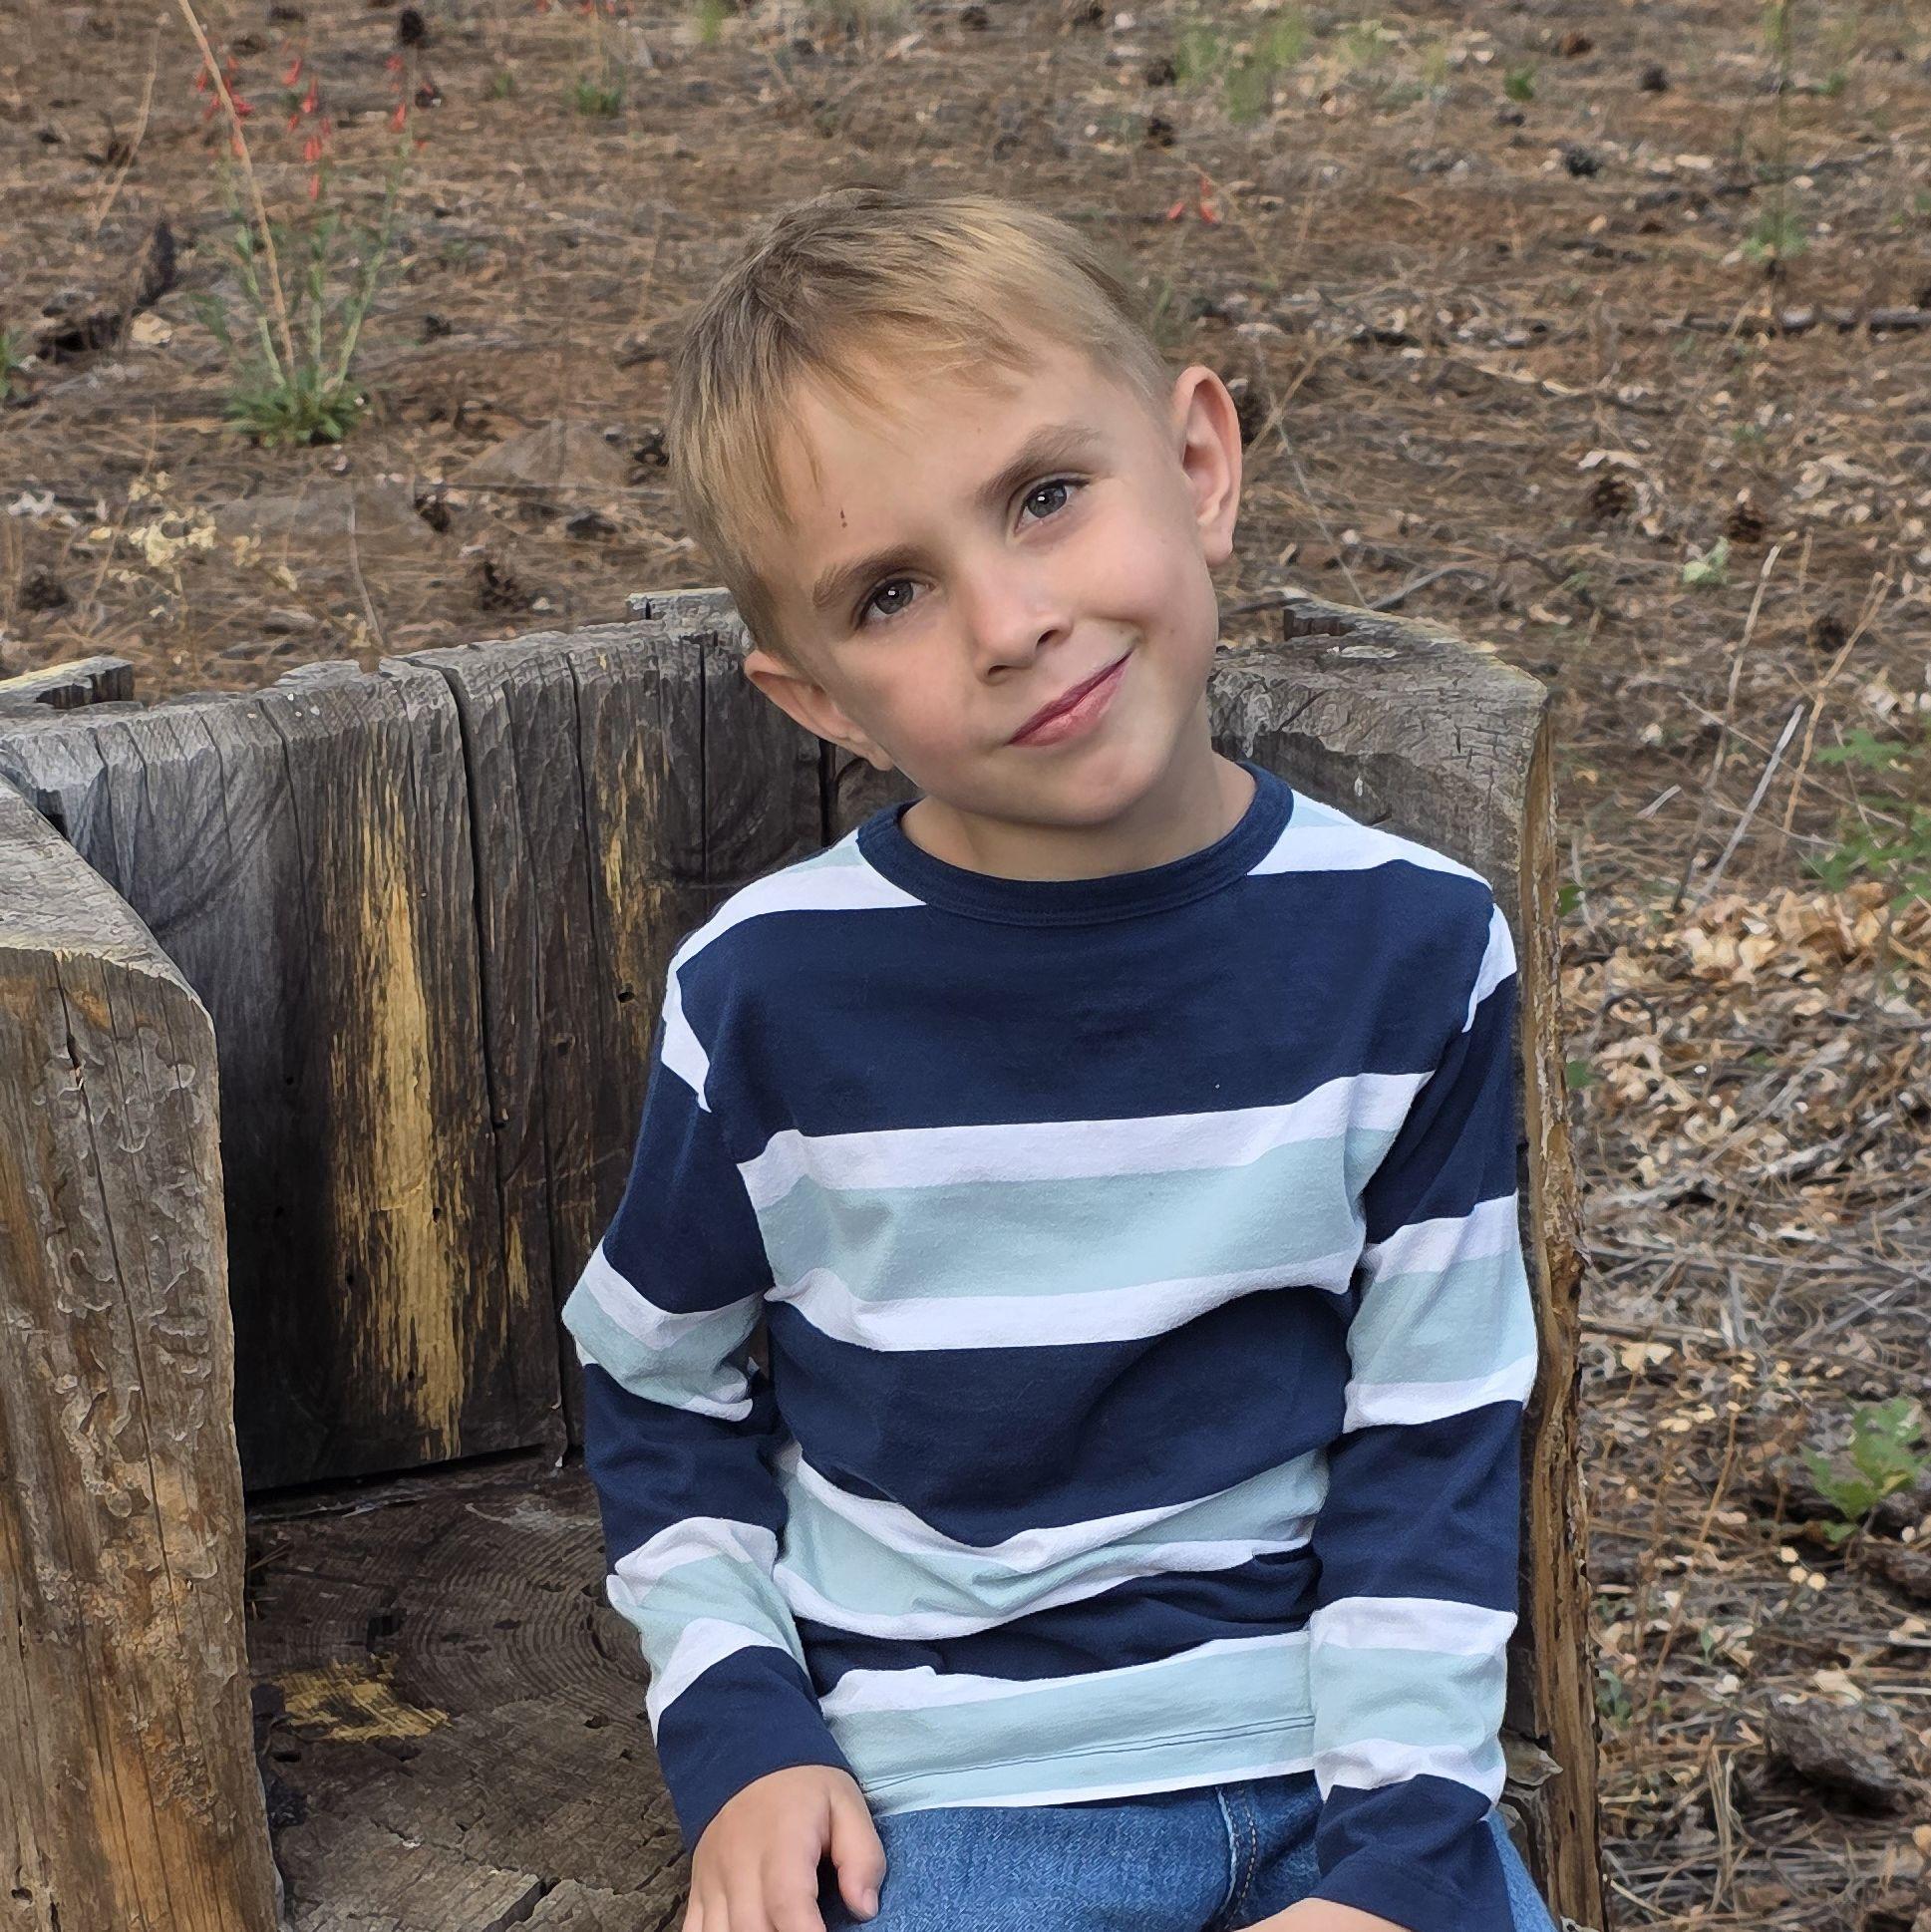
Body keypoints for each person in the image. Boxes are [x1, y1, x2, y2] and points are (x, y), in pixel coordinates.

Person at [560, 182, 1559, 1932]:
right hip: (959, 1798)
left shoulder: (1411, 948)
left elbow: (1437, 1414)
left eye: (1043, 495)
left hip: (1341, 1770)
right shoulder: (770, 993)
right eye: (891, 591)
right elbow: (656, 1380)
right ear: (818, 698)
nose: (1008, 620)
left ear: (1197, 461)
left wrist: (1401, 1863)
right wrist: (742, 1734)